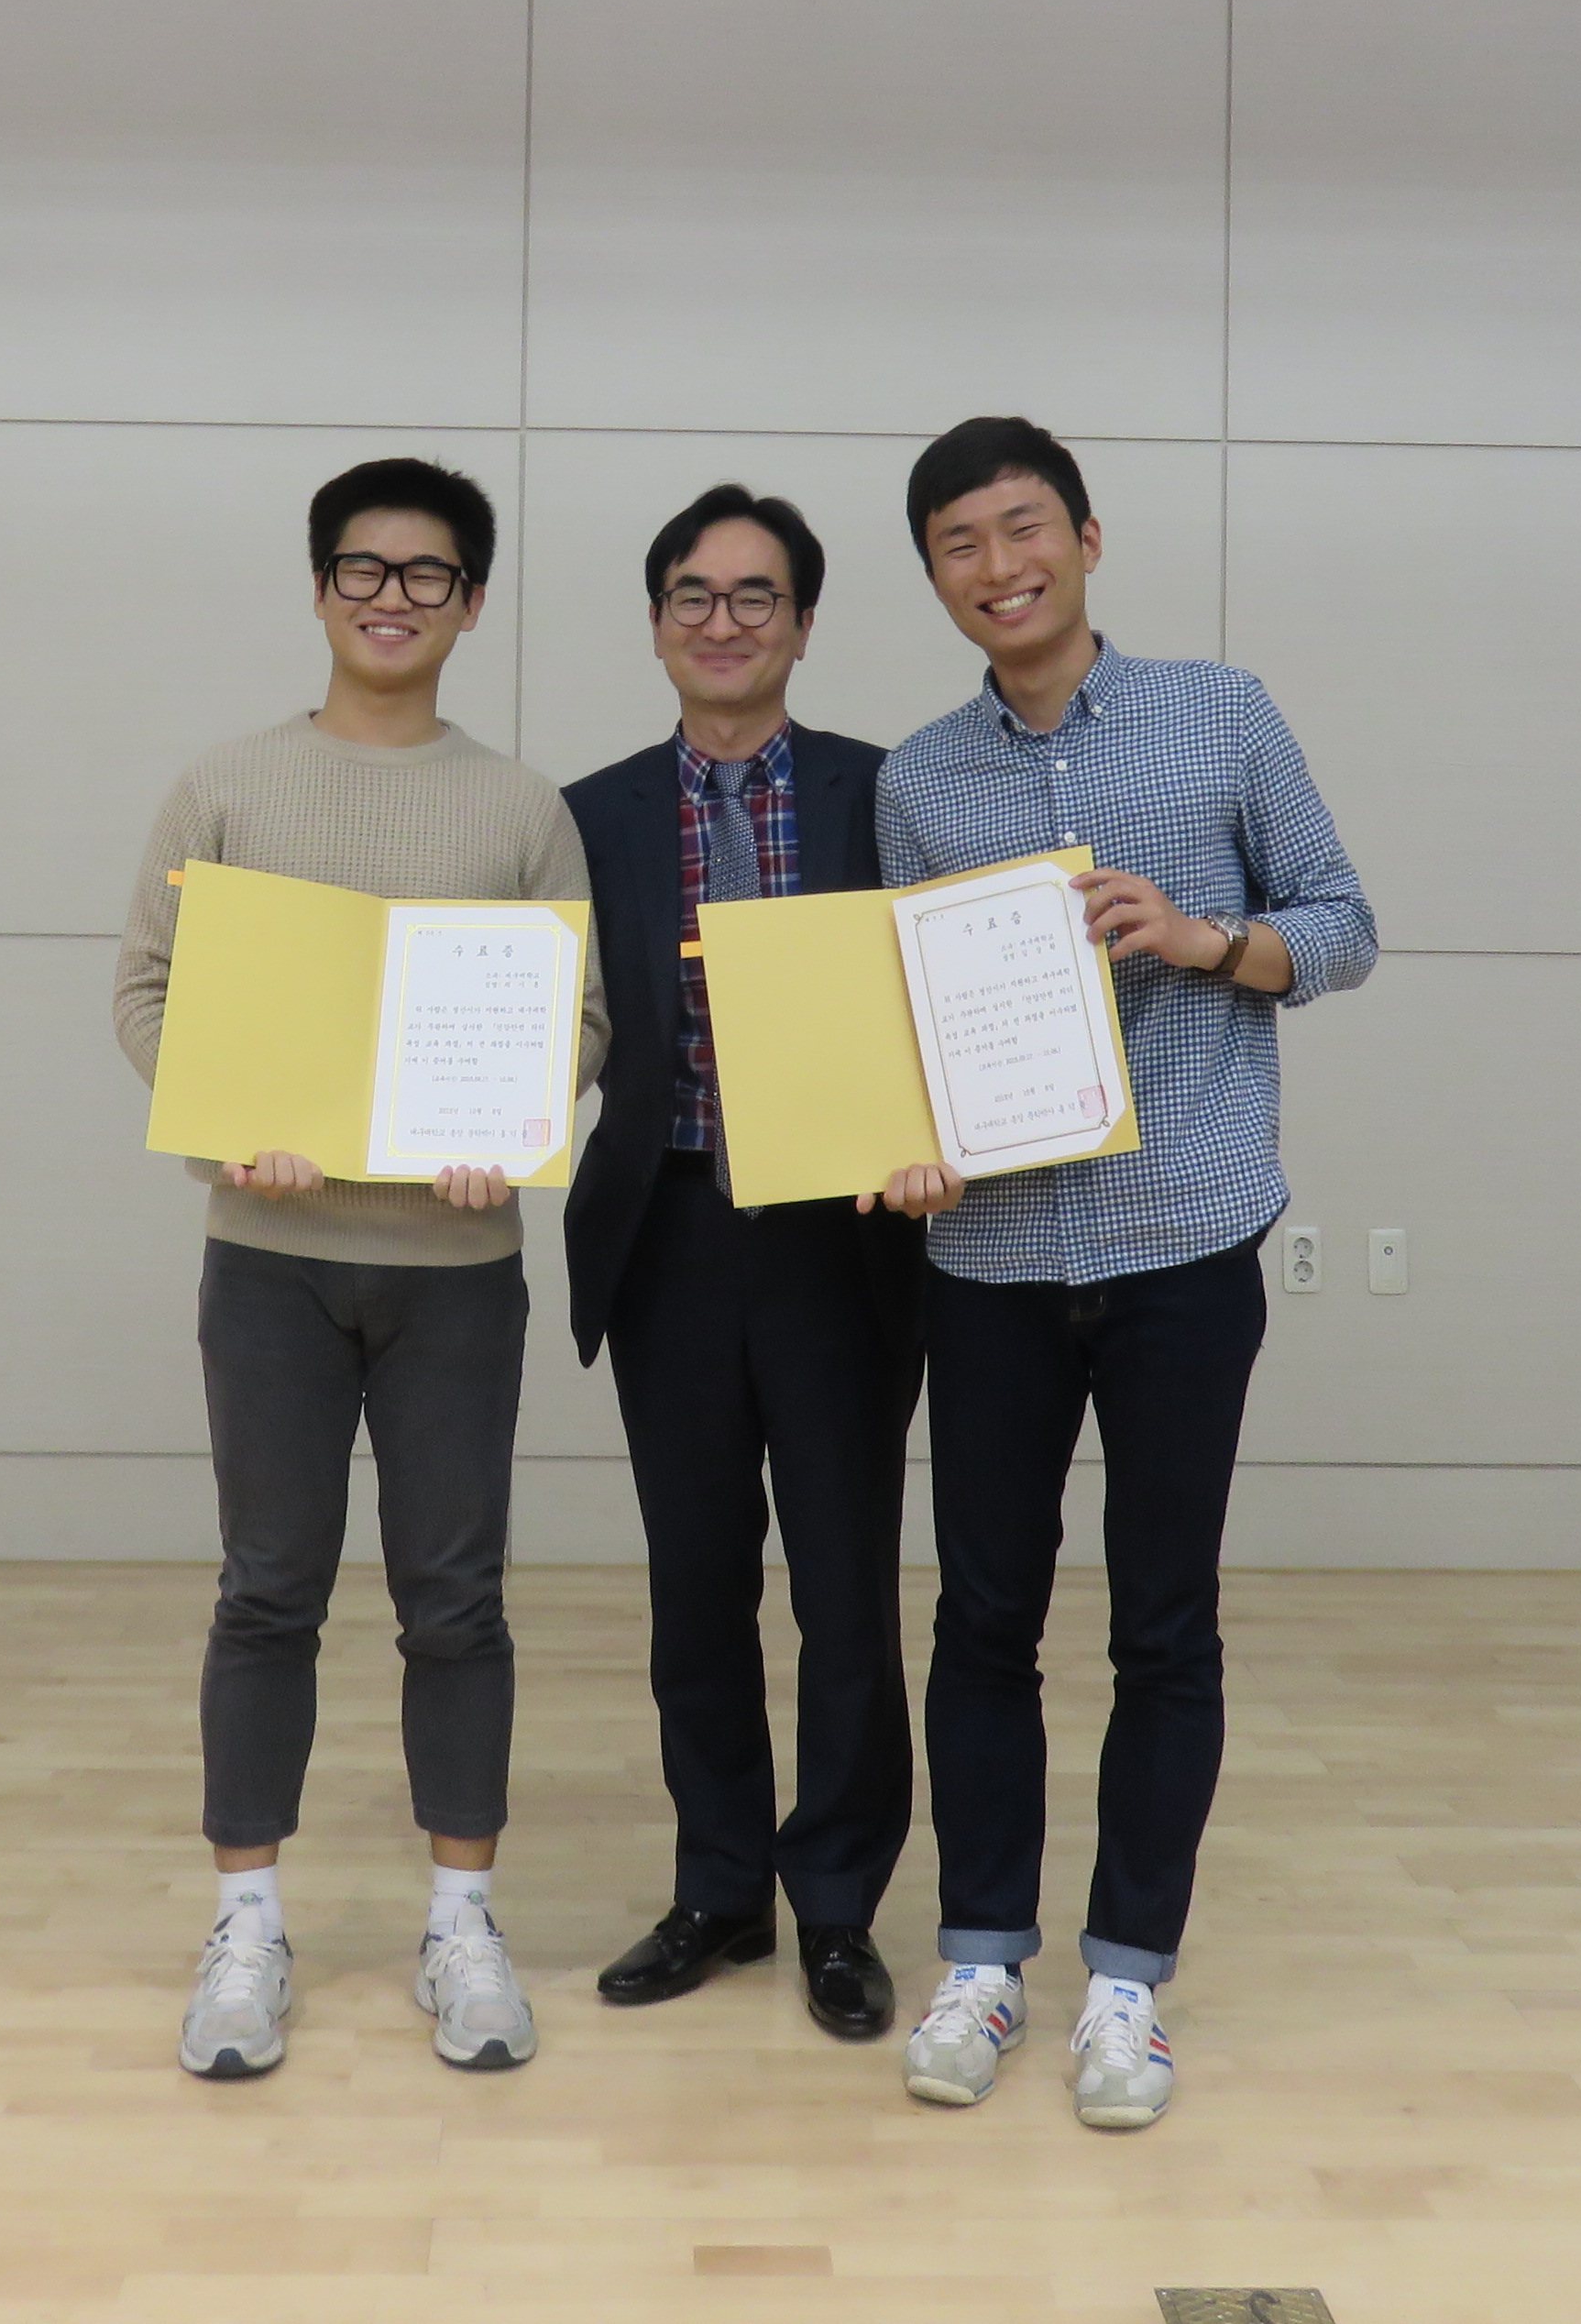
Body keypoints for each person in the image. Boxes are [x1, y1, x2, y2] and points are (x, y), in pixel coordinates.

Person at [866, 416, 1375, 2132]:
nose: (998, 567)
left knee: (1164, 1624)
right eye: (959, 544)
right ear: (934, 577)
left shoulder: (1220, 713)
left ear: (1087, 539)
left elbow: (1345, 924)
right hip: (989, 1254)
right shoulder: (920, 780)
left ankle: (1129, 1985)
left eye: (1024, 529)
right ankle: (983, 1962)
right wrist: (908, 1136)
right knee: (983, 1620)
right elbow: (905, 1023)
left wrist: (1206, 940)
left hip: (1182, 1239)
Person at [113, 457, 606, 2085]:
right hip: (270, 1261)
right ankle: (246, 1923)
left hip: (455, 1263)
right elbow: (147, 991)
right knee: (268, 1590)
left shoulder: (520, 808)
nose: (393, 598)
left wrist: (509, 1127)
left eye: (427, 575)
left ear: (473, 602)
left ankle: (462, 1920)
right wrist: (225, 1127)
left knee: (455, 1600)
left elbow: (580, 1019)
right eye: (363, 570)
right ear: (320, 587)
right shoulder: (225, 789)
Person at [562, 487, 923, 2043]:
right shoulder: (584, 815)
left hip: (846, 1232)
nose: (723, 622)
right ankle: (719, 1887)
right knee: (695, 1586)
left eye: (755, 596)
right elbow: (541, 1017)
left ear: (805, 624)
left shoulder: (886, 792)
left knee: (845, 1585)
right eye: (693, 597)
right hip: (670, 1230)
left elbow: (947, 989)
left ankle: (836, 1905)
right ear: (657, 624)